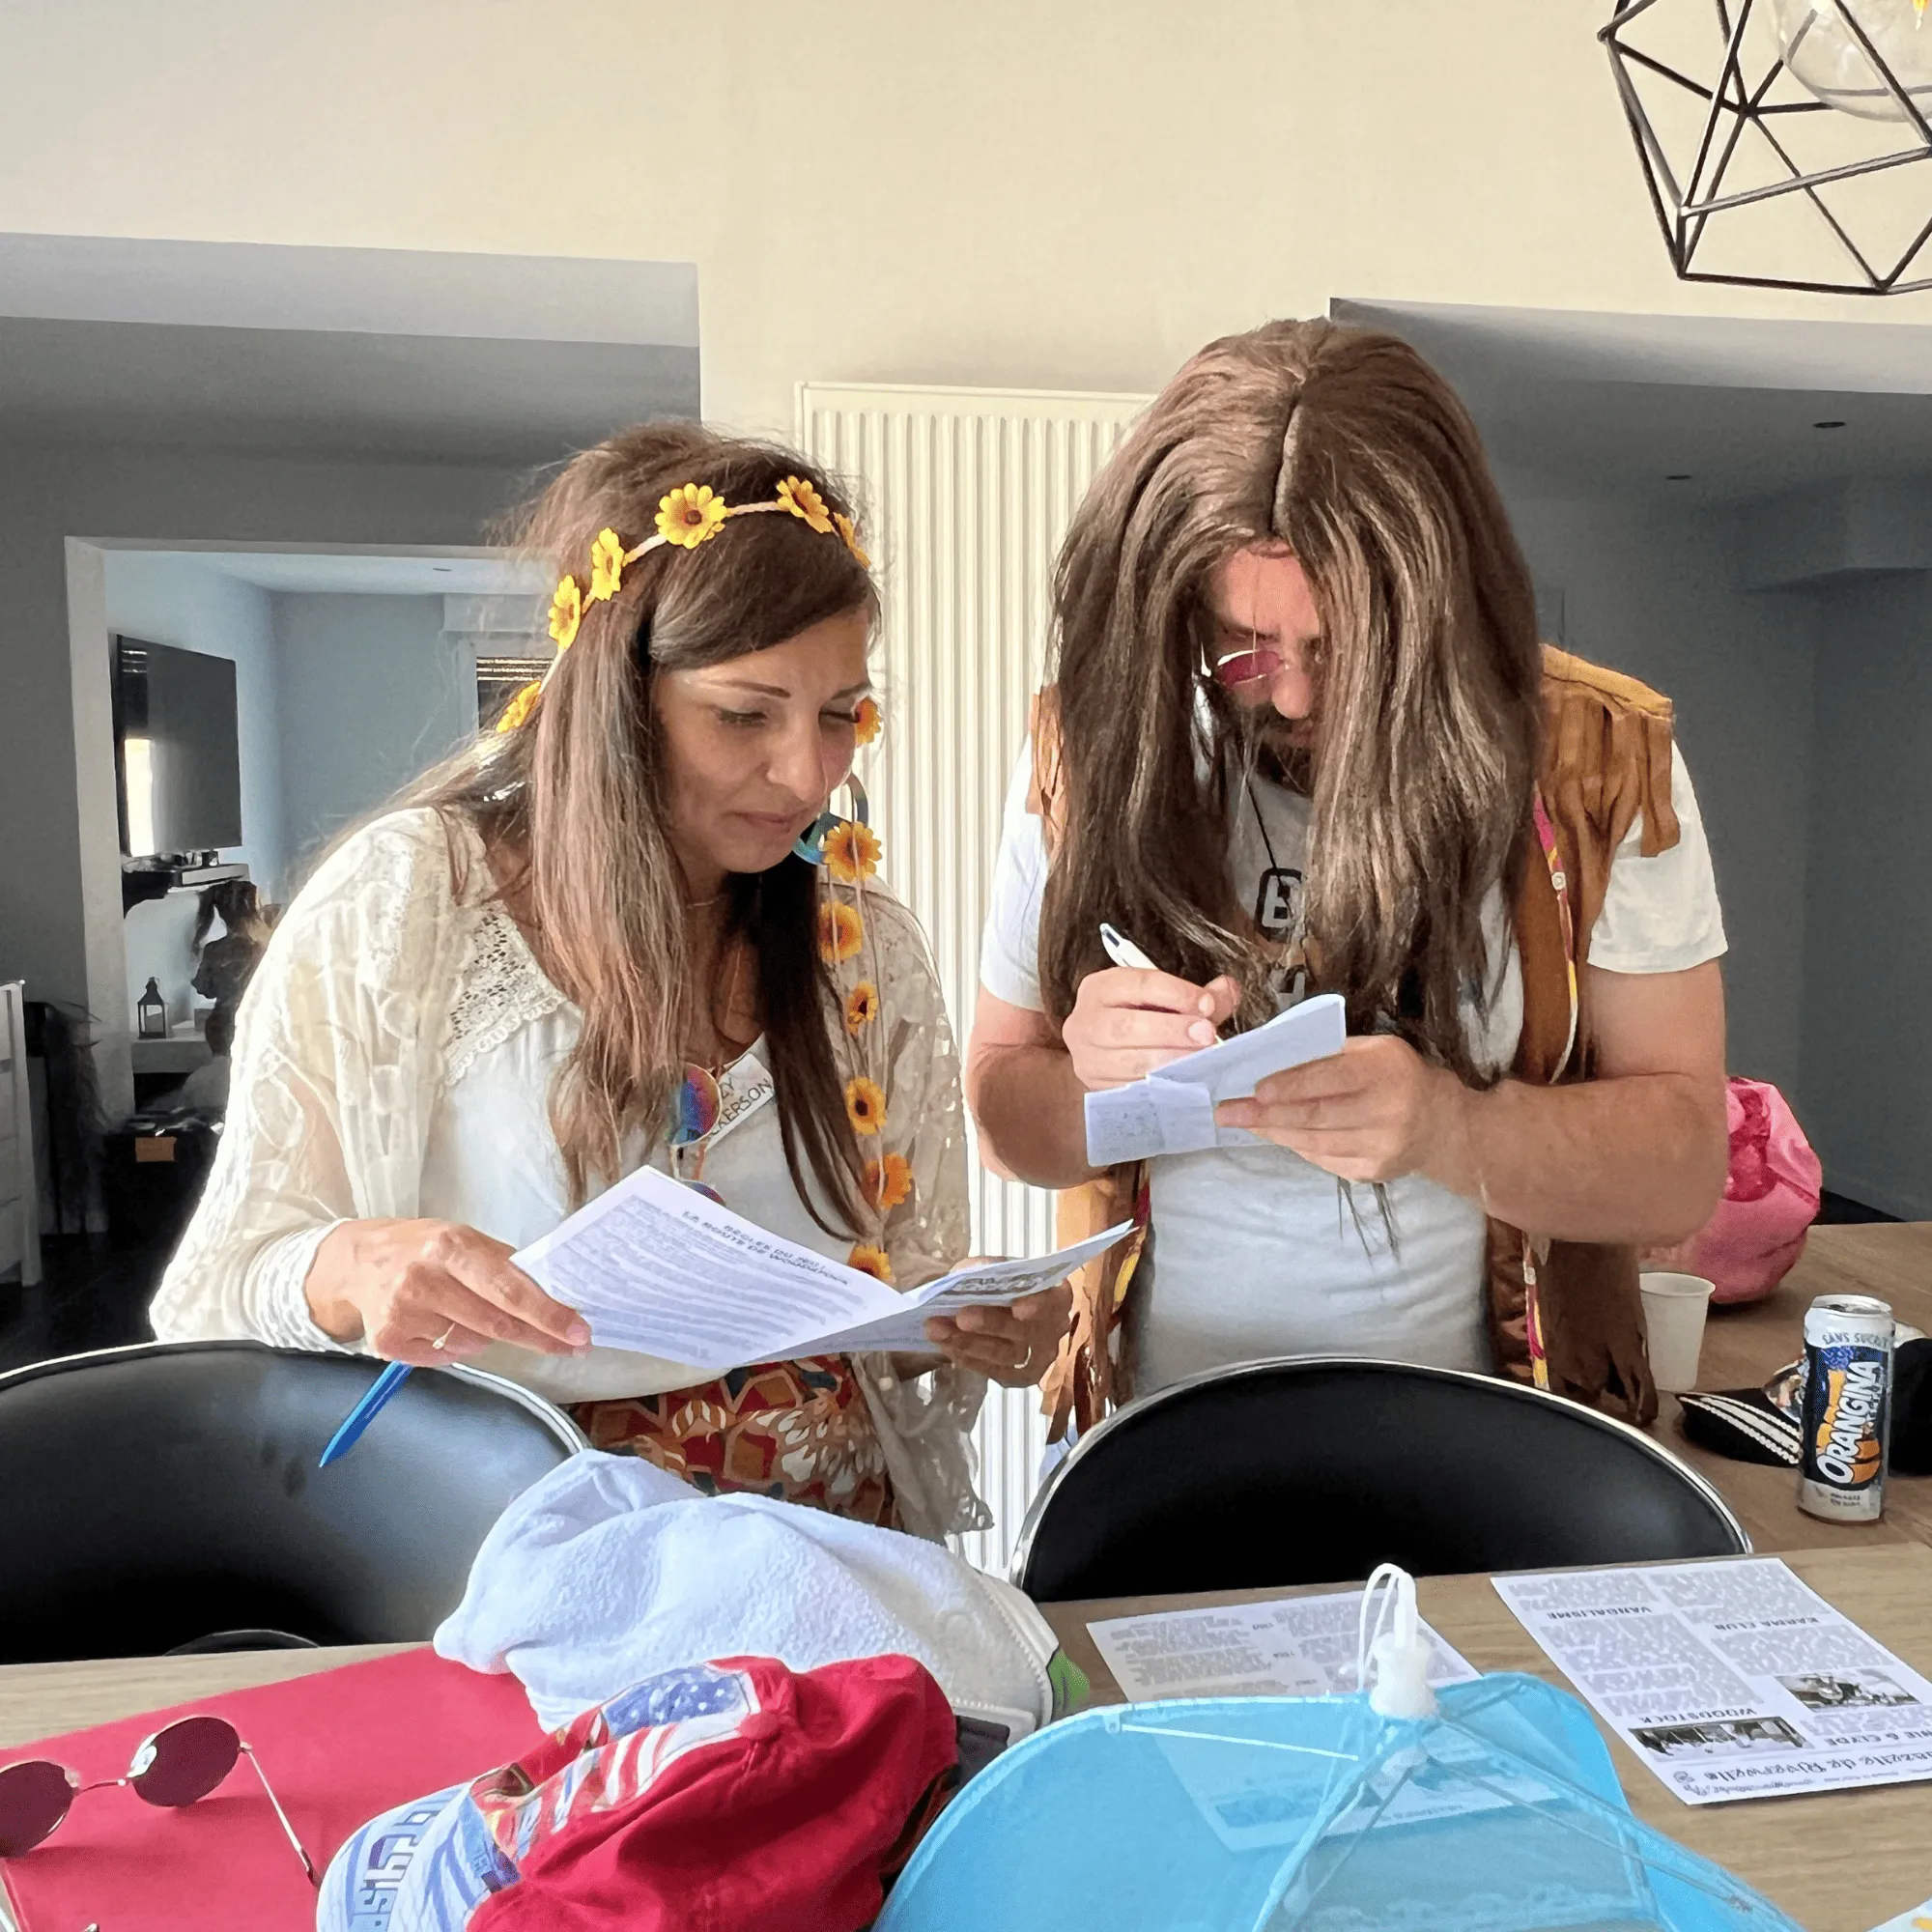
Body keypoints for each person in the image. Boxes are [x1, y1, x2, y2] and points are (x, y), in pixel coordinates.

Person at [154, 425, 1070, 1540]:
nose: (808, 771)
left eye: (841, 713)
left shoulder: (860, 945)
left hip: (835, 1558)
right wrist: (354, 1264)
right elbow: (216, 1284)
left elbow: (905, 1272)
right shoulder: (416, 901)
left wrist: (985, 1318)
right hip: (522, 1551)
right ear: (614, 696)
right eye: (745, 713)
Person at [965, 320, 1729, 1438]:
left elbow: (1681, 1166)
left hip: (1494, 1442)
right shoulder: (1091, 751)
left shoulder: (1592, 761)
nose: (1285, 699)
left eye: (1341, 649)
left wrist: (1448, 1128)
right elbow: (1003, 1117)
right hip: (1156, 1439)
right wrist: (1096, 1082)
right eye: (1237, 645)